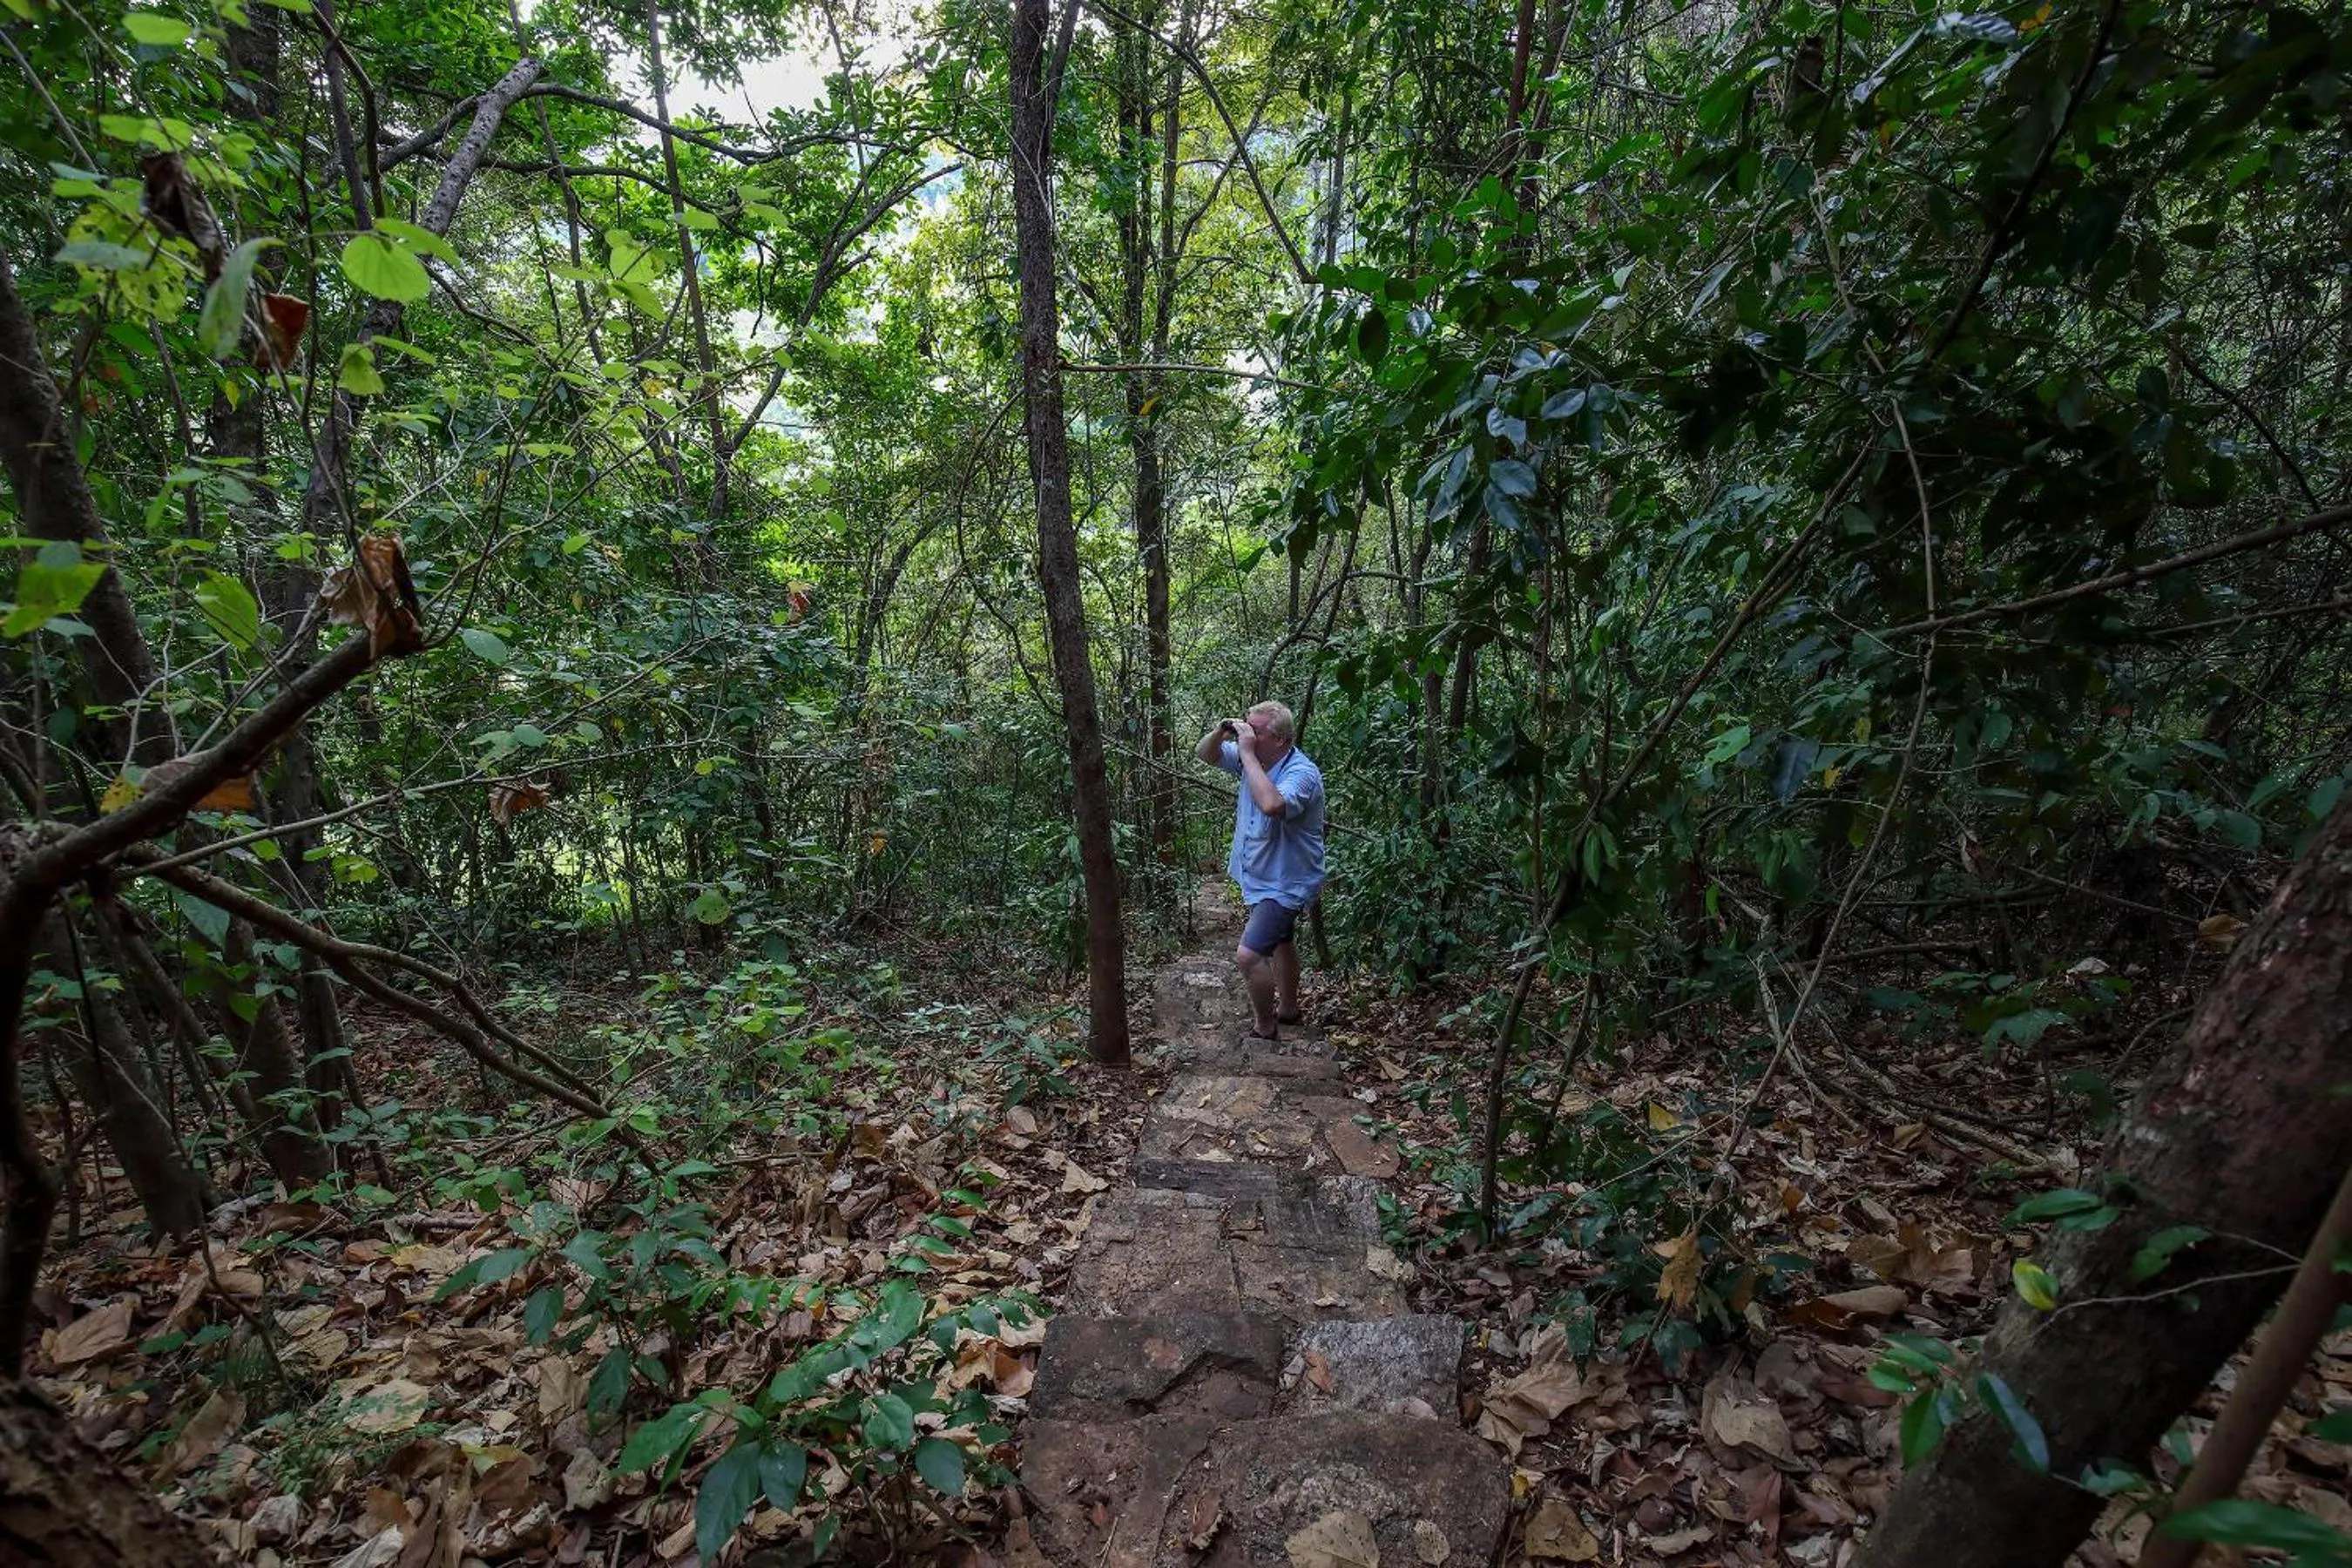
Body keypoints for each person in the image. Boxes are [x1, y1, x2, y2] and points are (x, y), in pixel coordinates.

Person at [1194, 700, 1326, 1040]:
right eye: (1246, 727)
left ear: (1281, 740)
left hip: (1286, 882)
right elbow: (1204, 754)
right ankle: (1288, 1010)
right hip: (1260, 874)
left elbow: (1272, 805)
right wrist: (1223, 731)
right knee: (1281, 941)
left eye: (1256, 732)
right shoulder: (1255, 758)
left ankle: (1265, 1027)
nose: (1247, 737)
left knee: (1249, 955)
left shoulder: (1302, 773)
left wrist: (1247, 753)